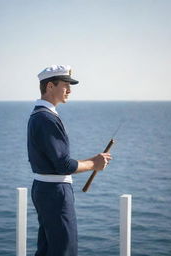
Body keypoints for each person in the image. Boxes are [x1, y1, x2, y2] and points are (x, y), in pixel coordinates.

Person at [27, 65, 112, 256]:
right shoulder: (47, 118)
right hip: (55, 193)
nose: (70, 90)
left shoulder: (38, 115)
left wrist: (92, 161)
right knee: (64, 250)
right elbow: (63, 165)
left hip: (44, 189)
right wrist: (94, 164)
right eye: (66, 85)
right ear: (50, 86)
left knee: (48, 249)